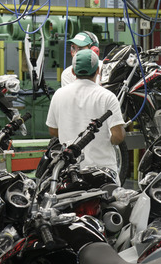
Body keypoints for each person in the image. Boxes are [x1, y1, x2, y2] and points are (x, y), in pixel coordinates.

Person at [47, 49, 126, 179]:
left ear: (73, 72)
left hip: (70, 173)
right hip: (102, 172)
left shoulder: (59, 95)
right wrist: (104, 140)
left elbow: (53, 130)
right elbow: (118, 136)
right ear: (97, 71)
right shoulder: (107, 97)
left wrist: (70, 133)